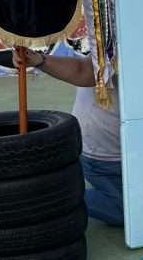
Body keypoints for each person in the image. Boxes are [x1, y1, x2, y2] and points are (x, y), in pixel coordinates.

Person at [15, 48, 123, 226]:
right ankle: (48, 195)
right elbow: (83, 70)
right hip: (104, 156)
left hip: (132, 153)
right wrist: (40, 60)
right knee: (128, 212)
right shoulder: (116, 44)